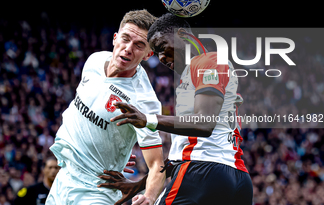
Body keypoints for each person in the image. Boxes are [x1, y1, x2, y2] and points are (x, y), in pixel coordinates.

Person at [100, 13, 253, 205]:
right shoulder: (191, 78)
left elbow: (204, 124)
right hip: (236, 179)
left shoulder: (208, 62)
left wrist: (148, 119)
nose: (162, 58)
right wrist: (140, 184)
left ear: (183, 36)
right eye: (157, 53)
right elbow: (187, 148)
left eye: (163, 48)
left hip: (203, 174)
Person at [45, 10, 165, 205]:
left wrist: (149, 196)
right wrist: (112, 152)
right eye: (125, 39)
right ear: (115, 38)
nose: (128, 49)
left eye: (139, 45)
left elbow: (156, 164)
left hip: (97, 191)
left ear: (147, 54)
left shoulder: (143, 100)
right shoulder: (95, 60)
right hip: (64, 178)